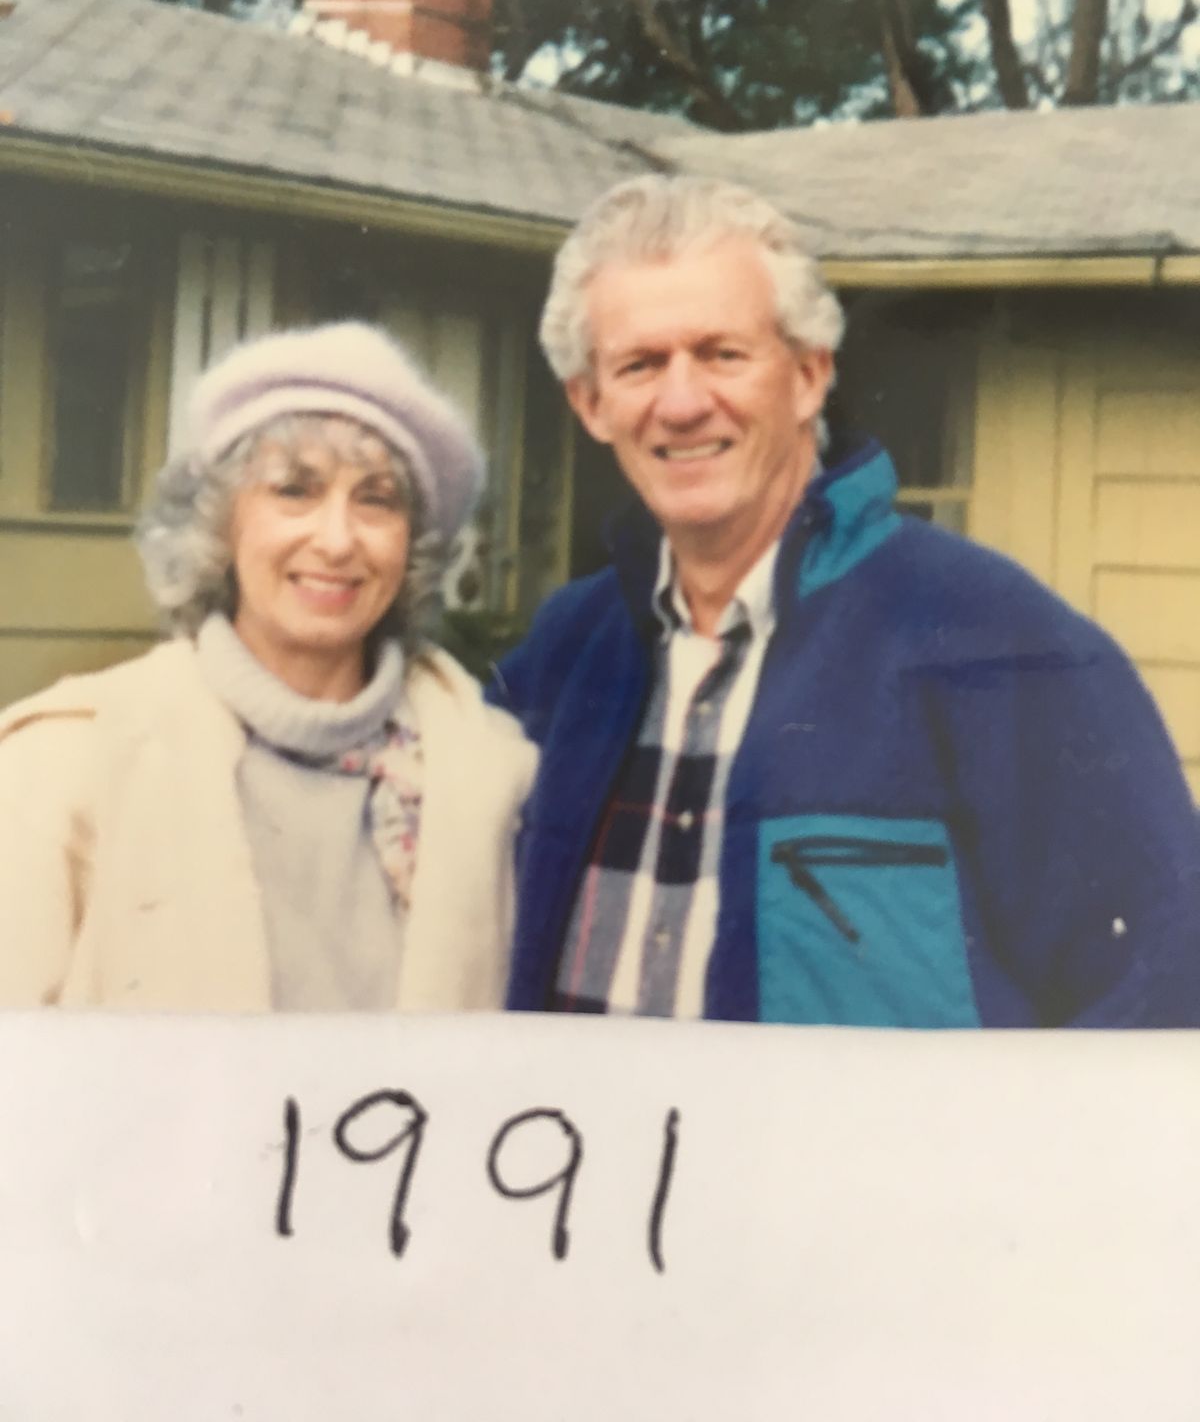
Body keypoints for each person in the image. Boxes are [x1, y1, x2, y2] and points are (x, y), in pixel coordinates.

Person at [490, 175, 1200, 1027]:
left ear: (808, 375)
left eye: (722, 355)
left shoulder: (1000, 643)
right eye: (640, 365)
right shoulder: (563, 653)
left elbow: (1167, 982)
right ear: (590, 402)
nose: (681, 403)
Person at [0, 322, 534, 1011]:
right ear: (221, 523)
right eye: (294, 490)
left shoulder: (495, 776)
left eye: (376, 500)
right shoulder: (67, 761)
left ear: (413, 545)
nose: (337, 541)